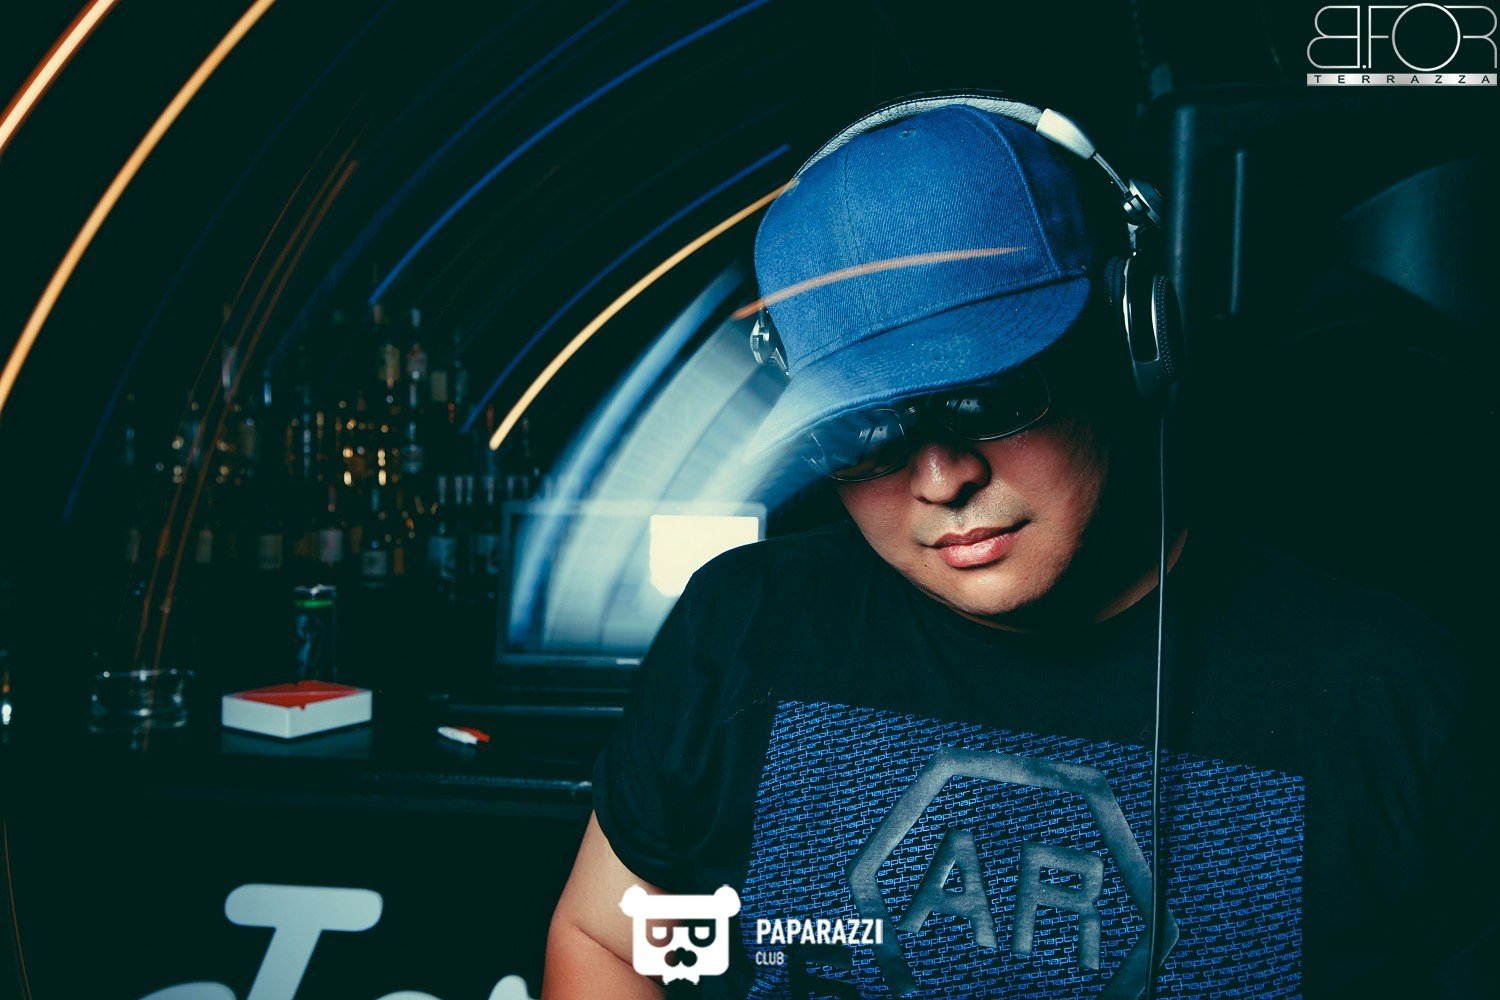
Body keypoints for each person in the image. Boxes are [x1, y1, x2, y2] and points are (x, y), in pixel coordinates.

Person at [543, 100, 1490, 998]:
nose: (940, 477)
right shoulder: (742, 625)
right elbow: (606, 937)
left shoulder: (1397, 699)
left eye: (987, 398)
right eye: (864, 431)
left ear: (1133, 339)